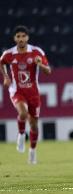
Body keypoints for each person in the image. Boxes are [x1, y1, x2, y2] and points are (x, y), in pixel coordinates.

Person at [0, 25, 51, 164]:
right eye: (18, 36)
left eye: (23, 36)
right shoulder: (9, 54)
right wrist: (5, 76)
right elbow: (1, 62)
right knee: (23, 113)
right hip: (17, 91)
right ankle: (21, 135)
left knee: (34, 125)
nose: (21, 39)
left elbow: (48, 71)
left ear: (27, 37)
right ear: (14, 38)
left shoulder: (36, 52)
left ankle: (32, 151)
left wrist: (40, 65)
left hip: (33, 93)